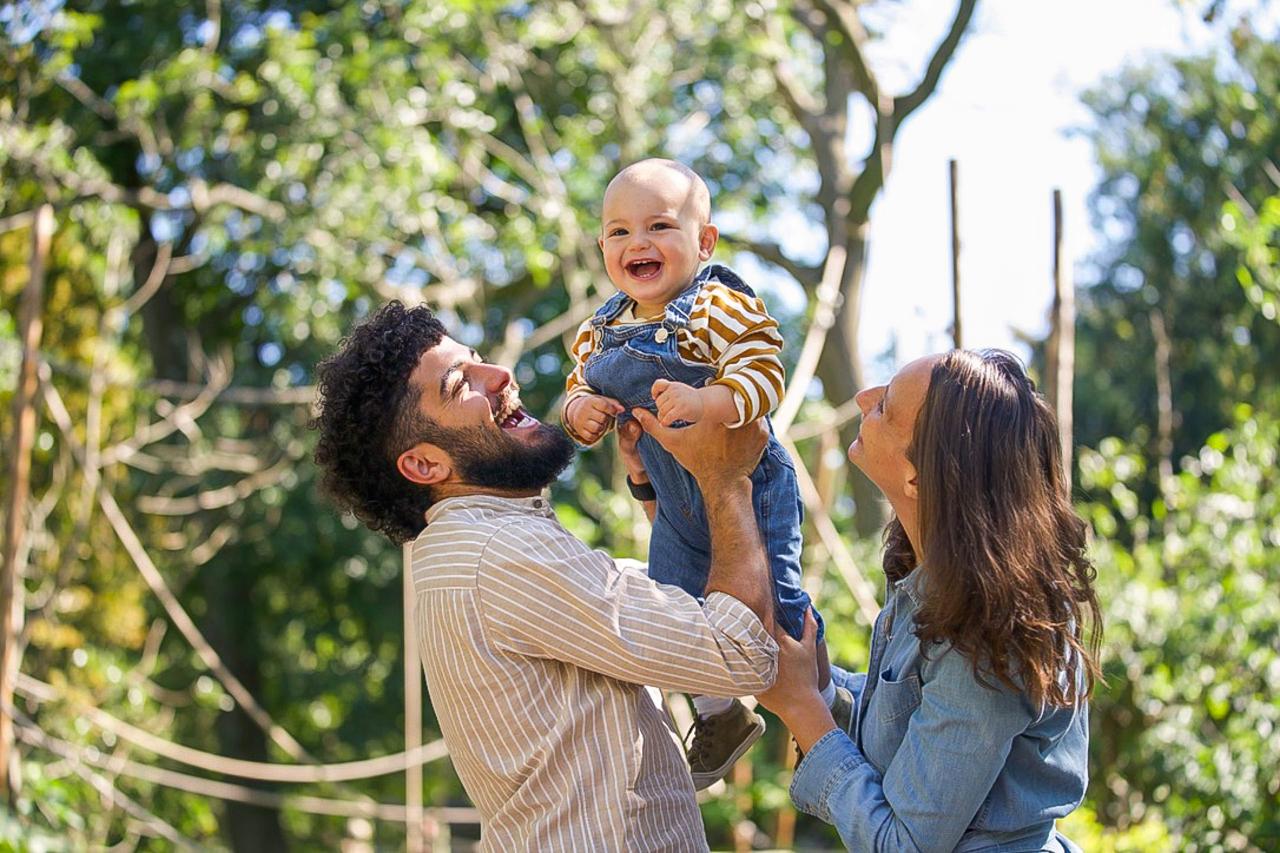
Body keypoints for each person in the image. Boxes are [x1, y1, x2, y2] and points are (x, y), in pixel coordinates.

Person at [310, 301, 779, 852]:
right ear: (424, 466)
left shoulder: (477, 544)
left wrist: (653, 486)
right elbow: (739, 653)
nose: (500, 375)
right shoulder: (499, 553)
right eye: (461, 383)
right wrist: (725, 477)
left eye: (477, 358)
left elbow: (673, 606)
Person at [562, 158, 838, 788]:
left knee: (777, 601)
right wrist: (582, 411)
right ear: (603, 245)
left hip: (747, 482)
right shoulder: (600, 330)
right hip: (675, 495)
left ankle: (823, 704)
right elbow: (577, 384)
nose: (639, 243)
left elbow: (765, 366)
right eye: (619, 232)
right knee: (674, 605)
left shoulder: (712, 306)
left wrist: (712, 401)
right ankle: (720, 715)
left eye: (660, 225)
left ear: (703, 242)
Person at [756, 349, 1102, 852]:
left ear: (920, 474)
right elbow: (910, 730)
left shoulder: (988, 630)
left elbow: (904, 845)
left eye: (886, 405)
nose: (863, 398)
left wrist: (803, 709)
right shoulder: (931, 584)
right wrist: (823, 686)